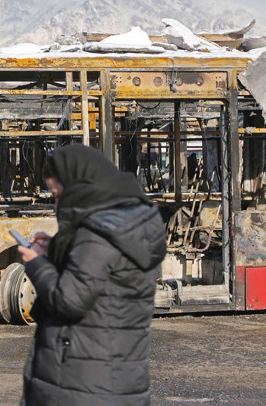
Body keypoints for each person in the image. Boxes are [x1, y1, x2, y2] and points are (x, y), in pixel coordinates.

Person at [18, 145, 165, 406]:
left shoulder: (98, 233)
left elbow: (70, 300)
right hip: (115, 375)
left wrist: (37, 264)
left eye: (57, 194)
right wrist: (56, 250)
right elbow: (99, 277)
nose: (57, 203)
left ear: (78, 185)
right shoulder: (125, 222)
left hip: (83, 383)